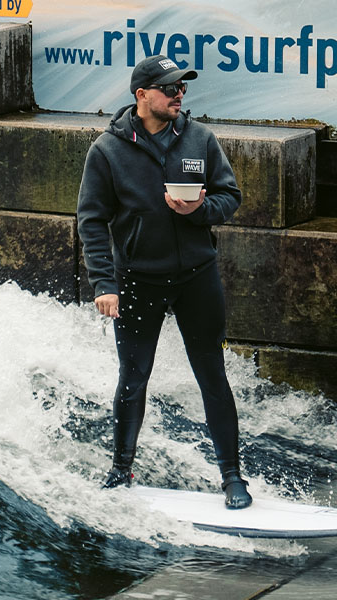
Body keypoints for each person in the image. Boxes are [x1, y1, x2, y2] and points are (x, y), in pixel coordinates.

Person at [76, 54, 251, 509]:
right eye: (170, 88)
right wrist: (104, 284)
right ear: (142, 96)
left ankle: (232, 477)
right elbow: (92, 221)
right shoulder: (107, 151)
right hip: (138, 280)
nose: (179, 95)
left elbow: (230, 196)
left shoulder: (199, 138)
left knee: (212, 375)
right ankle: (121, 470)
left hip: (197, 277)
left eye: (182, 88)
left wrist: (200, 212)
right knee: (133, 379)